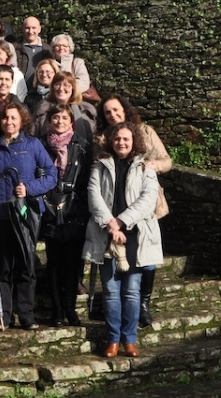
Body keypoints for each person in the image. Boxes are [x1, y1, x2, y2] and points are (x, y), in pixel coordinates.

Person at [83, 122, 163, 358]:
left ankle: (130, 339)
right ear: (111, 140)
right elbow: (93, 197)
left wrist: (121, 222)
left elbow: (148, 200)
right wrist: (111, 224)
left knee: (131, 291)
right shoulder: (100, 166)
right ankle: (113, 339)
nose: (121, 142)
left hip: (136, 236)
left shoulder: (145, 168)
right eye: (117, 139)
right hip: (107, 235)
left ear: (134, 141)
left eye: (126, 139)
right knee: (110, 291)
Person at [95, 93, 172, 327]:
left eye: (116, 110)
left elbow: (166, 160)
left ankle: (143, 303)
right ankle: (120, 307)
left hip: (145, 204)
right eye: (108, 112)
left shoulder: (145, 131)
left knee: (146, 260)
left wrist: (154, 165)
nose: (113, 115)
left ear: (125, 109)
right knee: (117, 258)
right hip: (115, 206)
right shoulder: (101, 138)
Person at [0, 101, 57, 330]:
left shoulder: (33, 144)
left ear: (22, 120)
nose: (9, 122)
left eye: (14, 118)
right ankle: (3, 316)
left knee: (26, 265)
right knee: (4, 267)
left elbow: (51, 175)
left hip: (25, 213)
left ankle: (27, 315)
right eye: (5, 118)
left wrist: (29, 188)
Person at [40, 104, 91, 327]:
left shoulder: (82, 146)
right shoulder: (41, 145)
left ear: (71, 122)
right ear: (49, 121)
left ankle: (70, 308)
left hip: (74, 210)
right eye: (55, 118)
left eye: (64, 118)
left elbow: (88, 177)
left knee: (72, 264)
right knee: (54, 264)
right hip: (50, 209)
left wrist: (75, 198)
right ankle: (57, 310)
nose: (59, 121)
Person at [34, 71, 97, 139]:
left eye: (66, 85)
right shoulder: (42, 109)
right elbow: (33, 133)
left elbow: (91, 137)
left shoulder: (84, 110)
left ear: (73, 88)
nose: (61, 88)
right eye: (57, 84)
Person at [15, 16, 52, 83]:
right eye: (27, 28)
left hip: (41, 91)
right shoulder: (15, 48)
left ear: (39, 29)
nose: (30, 31)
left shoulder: (47, 50)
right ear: (23, 29)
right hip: (20, 90)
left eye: (33, 28)